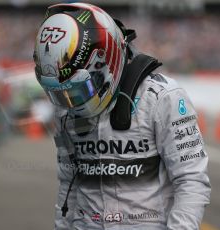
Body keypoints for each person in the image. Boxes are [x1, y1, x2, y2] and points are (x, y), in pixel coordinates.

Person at [33, 3, 211, 230]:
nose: (70, 101)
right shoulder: (64, 110)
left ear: (105, 62)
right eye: (60, 93)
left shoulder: (162, 97)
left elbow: (191, 181)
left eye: (77, 90)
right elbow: (69, 183)